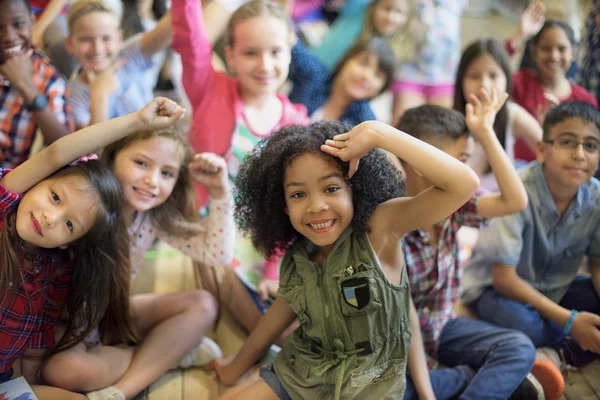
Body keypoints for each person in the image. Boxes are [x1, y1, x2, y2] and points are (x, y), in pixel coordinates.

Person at [206, 119, 480, 399]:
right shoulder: (297, 257)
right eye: (298, 194)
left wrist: (380, 134)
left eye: (331, 188)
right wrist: (235, 369)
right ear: (284, 207)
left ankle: (460, 379)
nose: (316, 206)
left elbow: (463, 184)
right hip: (299, 374)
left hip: (370, 388)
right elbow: (274, 320)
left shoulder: (379, 229)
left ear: (355, 189)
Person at [0, 96, 184, 399]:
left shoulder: (54, 273)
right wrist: (137, 121)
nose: (50, 218)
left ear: (69, 244)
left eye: (69, 225)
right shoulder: (4, 204)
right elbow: (56, 153)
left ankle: (158, 354)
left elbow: (35, 351)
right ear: (37, 181)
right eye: (55, 197)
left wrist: (31, 390)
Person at [44, 128, 235, 400]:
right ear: (112, 157)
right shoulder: (84, 206)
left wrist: (219, 191)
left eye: (166, 173)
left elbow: (218, 254)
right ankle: (165, 353)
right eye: (141, 163)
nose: (152, 181)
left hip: (108, 318)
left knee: (202, 304)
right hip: (65, 328)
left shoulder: (153, 218)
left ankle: (121, 391)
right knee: (62, 372)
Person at [398, 91, 563, 399]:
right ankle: (473, 378)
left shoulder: (455, 205)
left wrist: (486, 133)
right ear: (423, 164)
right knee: (393, 392)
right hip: (400, 348)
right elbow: (404, 324)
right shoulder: (390, 224)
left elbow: (515, 200)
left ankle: (473, 380)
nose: (468, 172)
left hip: (444, 328)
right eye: (461, 161)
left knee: (517, 347)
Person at [462, 101, 600, 383]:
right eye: (567, 142)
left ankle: (554, 353)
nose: (579, 154)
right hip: (497, 293)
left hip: (553, 293)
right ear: (541, 149)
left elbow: (597, 265)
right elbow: (504, 280)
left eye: (590, 145)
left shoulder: (596, 198)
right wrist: (571, 321)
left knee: (592, 301)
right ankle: (560, 349)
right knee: (522, 323)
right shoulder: (518, 189)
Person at [65, 0, 172, 129]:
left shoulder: (128, 57)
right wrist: (100, 94)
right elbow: (96, 149)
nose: (97, 49)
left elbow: (174, 22)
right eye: (86, 39)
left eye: (106, 38)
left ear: (119, 39)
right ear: (70, 44)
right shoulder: (72, 96)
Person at [453, 38, 542, 187]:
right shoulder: (448, 120)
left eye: (493, 76)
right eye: (474, 76)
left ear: (506, 79)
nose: (484, 85)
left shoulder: (512, 115)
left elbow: (549, 154)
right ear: (461, 79)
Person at [0, 0, 74, 169]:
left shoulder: (50, 81)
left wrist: (29, 90)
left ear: (33, 21)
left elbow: (68, 151)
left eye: (18, 24)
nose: (9, 36)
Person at [512, 20, 598, 162]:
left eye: (562, 49)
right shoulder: (521, 84)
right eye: (546, 48)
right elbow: (495, 68)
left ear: (574, 52)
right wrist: (520, 35)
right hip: (518, 172)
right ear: (533, 52)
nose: (554, 56)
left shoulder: (585, 101)